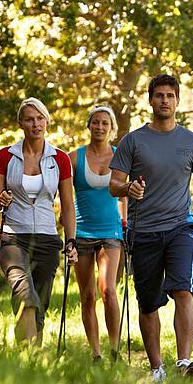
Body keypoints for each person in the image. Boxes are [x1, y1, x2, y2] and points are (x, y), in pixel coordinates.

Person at [109, 74, 193, 382]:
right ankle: (157, 368)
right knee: (148, 302)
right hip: (143, 230)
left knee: (182, 290)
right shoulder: (133, 141)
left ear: (178, 100)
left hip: (180, 229)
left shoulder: (192, 143)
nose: (164, 101)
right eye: (159, 95)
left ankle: (184, 363)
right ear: (150, 100)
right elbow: (113, 185)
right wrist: (127, 188)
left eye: (170, 95)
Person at [0, 97, 78, 345]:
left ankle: (31, 363)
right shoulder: (6, 156)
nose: (35, 124)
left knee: (39, 304)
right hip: (13, 237)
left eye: (40, 119)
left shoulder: (59, 159)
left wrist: (71, 241)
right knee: (24, 293)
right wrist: (1, 200)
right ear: (21, 123)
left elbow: (68, 205)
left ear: (47, 122)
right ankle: (28, 353)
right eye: (29, 119)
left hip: (48, 239)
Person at [69, 105, 127, 363]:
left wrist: (126, 220)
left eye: (105, 123)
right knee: (87, 296)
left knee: (108, 290)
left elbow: (126, 191)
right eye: (95, 122)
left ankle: (114, 349)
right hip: (81, 232)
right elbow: (61, 193)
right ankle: (96, 353)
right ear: (89, 125)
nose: (100, 127)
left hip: (111, 231)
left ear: (111, 128)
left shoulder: (120, 157)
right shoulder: (74, 157)